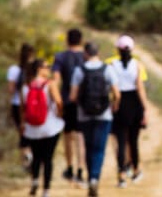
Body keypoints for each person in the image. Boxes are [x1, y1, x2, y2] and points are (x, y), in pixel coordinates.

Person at [70, 42, 121, 197]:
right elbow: (117, 94)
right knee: (99, 149)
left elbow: (72, 96)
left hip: (84, 115)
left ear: (85, 53)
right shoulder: (108, 69)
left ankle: (90, 176)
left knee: (88, 146)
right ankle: (94, 178)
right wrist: (114, 106)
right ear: (97, 52)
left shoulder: (79, 70)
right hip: (104, 115)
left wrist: (80, 104)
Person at [108, 35, 148, 188]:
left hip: (119, 105)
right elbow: (140, 88)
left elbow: (113, 89)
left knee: (120, 142)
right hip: (134, 104)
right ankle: (136, 170)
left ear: (117, 49)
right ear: (131, 49)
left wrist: (114, 104)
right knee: (133, 141)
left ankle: (121, 176)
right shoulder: (137, 65)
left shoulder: (112, 65)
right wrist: (145, 109)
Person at [21, 59, 64, 197]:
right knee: (48, 158)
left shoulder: (26, 86)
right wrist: (60, 114)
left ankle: (34, 181)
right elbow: (58, 102)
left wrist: (23, 124)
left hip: (32, 129)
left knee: (36, 157)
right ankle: (46, 190)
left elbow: (23, 109)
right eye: (47, 67)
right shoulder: (50, 85)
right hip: (50, 127)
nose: (49, 69)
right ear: (39, 69)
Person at [52, 28, 87, 187]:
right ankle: (81, 170)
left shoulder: (60, 57)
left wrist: (56, 101)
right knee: (81, 136)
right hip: (84, 102)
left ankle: (69, 168)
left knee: (68, 135)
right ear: (81, 40)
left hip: (67, 101)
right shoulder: (86, 56)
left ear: (67, 40)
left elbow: (56, 79)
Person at [7, 42, 34, 171]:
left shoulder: (14, 70)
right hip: (32, 105)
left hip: (17, 105)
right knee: (32, 131)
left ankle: (26, 157)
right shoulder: (34, 69)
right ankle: (33, 155)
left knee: (22, 132)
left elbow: (11, 89)